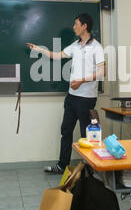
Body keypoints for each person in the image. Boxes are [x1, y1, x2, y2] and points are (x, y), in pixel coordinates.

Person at [26, 13, 105, 174]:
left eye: (76, 24)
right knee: (66, 131)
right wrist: (39, 49)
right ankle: (62, 165)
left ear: (84, 26)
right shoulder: (75, 45)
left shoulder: (97, 47)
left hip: (87, 99)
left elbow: (102, 72)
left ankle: (89, 170)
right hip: (72, 97)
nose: (74, 27)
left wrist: (81, 80)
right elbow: (57, 56)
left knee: (86, 135)